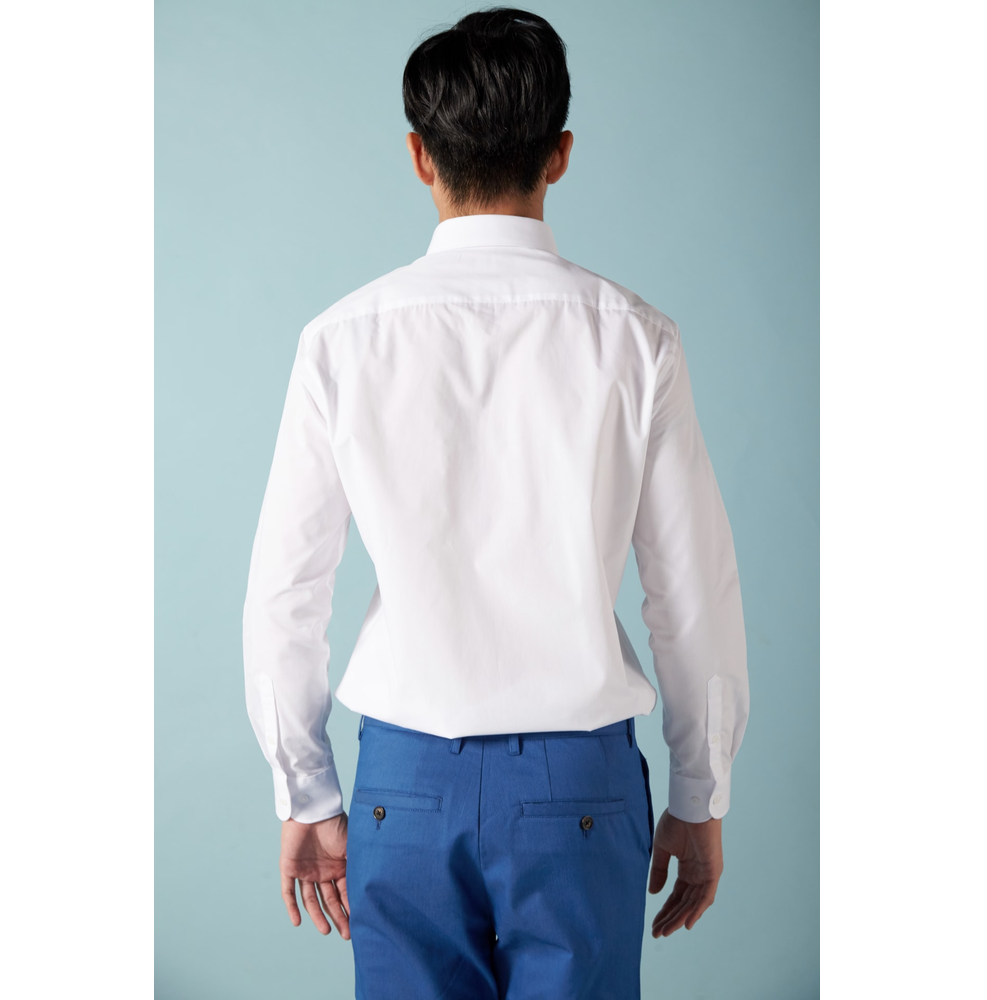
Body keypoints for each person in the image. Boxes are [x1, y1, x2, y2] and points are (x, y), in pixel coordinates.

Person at [242, 6, 750, 998]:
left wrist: (304, 786)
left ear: (418, 156)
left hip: (403, 788)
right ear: (560, 154)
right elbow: (691, 593)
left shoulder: (340, 340)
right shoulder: (636, 338)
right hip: (581, 787)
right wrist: (701, 789)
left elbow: (285, 591)